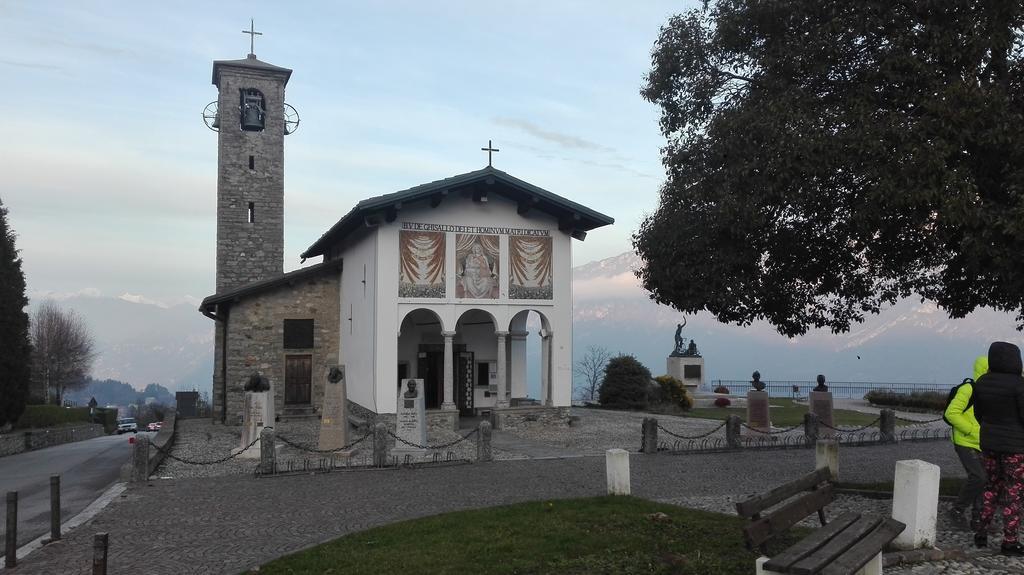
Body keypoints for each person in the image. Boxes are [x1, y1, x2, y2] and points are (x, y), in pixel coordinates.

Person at [972, 341, 1024, 556]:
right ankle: (1009, 541)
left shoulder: (982, 382)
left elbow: (978, 414)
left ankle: (981, 532)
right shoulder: (1019, 385)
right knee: (1014, 492)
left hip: (989, 443)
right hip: (1015, 446)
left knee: (991, 486)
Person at [945, 355, 988, 528]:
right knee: (978, 477)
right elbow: (951, 413)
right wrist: (971, 430)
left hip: (982, 442)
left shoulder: (988, 392)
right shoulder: (969, 389)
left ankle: (979, 519)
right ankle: (957, 510)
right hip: (965, 441)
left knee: (985, 480)